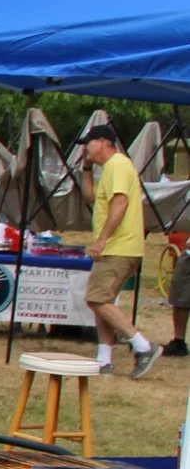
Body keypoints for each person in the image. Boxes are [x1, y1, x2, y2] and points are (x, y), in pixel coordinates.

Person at [81, 123, 157, 377]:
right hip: (119, 246)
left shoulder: (118, 165)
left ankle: (143, 346)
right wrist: (86, 168)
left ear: (103, 142)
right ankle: (104, 360)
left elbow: (120, 203)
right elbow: (90, 197)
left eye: (88, 143)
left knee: (96, 298)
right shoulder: (109, 169)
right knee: (104, 299)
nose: (85, 148)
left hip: (118, 246)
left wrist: (102, 240)